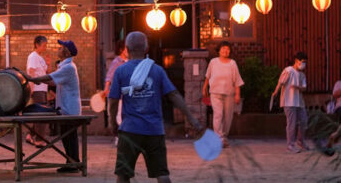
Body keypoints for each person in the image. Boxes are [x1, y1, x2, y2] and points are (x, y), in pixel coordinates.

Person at [108, 31, 205, 183]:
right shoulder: (157, 70)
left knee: (123, 175)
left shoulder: (121, 71)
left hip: (129, 131)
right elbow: (174, 96)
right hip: (154, 131)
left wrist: (113, 123)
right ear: (146, 48)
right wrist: (193, 120)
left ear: (126, 48)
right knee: (162, 174)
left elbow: (113, 101)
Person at [25, 39, 82, 173]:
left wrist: (32, 79)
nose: (58, 49)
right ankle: (72, 162)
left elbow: (49, 78)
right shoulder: (65, 66)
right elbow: (53, 82)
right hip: (67, 107)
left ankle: (73, 163)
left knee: (69, 135)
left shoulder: (68, 67)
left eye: (60, 47)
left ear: (65, 52)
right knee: (67, 135)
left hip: (70, 108)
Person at [202, 41, 244, 147]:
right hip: (215, 93)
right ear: (219, 50)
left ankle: (223, 136)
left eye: (228, 49)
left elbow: (237, 80)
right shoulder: (213, 62)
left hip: (229, 93)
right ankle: (219, 137)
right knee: (218, 114)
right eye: (223, 48)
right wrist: (204, 87)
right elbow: (208, 76)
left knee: (228, 116)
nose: (226, 51)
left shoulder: (232, 63)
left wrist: (237, 94)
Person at [272, 51, 308, 153]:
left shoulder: (302, 75)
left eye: (305, 62)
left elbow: (304, 88)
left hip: (299, 102)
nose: (304, 64)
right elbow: (281, 82)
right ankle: (290, 145)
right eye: (302, 61)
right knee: (292, 123)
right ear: (296, 61)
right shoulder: (288, 70)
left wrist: (298, 87)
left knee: (304, 121)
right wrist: (275, 92)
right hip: (289, 101)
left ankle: (300, 140)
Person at [26, 35, 49, 147]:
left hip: (43, 88)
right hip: (37, 88)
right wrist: (31, 89)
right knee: (41, 113)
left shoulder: (40, 57)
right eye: (44, 45)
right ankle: (39, 139)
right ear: (37, 45)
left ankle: (30, 135)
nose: (45, 48)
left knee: (40, 113)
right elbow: (31, 73)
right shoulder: (33, 56)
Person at [103, 40, 128, 141]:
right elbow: (109, 77)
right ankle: (119, 137)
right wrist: (106, 89)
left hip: (127, 94)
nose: (128, 50)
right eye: (126, 48)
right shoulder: (116, 62)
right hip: (118, 95)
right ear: (122, 50)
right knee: (118, 117)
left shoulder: (129, 61)